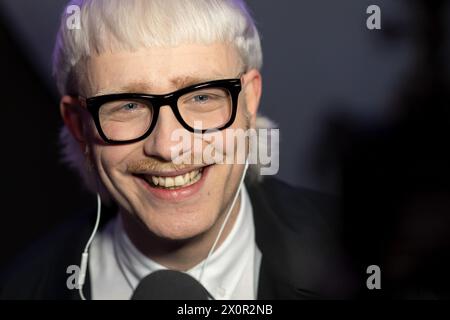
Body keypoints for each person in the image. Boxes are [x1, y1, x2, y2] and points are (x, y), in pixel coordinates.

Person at [0, 0, 353, 300]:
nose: (169, 146)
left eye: (201, 96)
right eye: (127, 105)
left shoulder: (364, 254)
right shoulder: (21, 290)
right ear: (79, 125)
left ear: (249, 101)